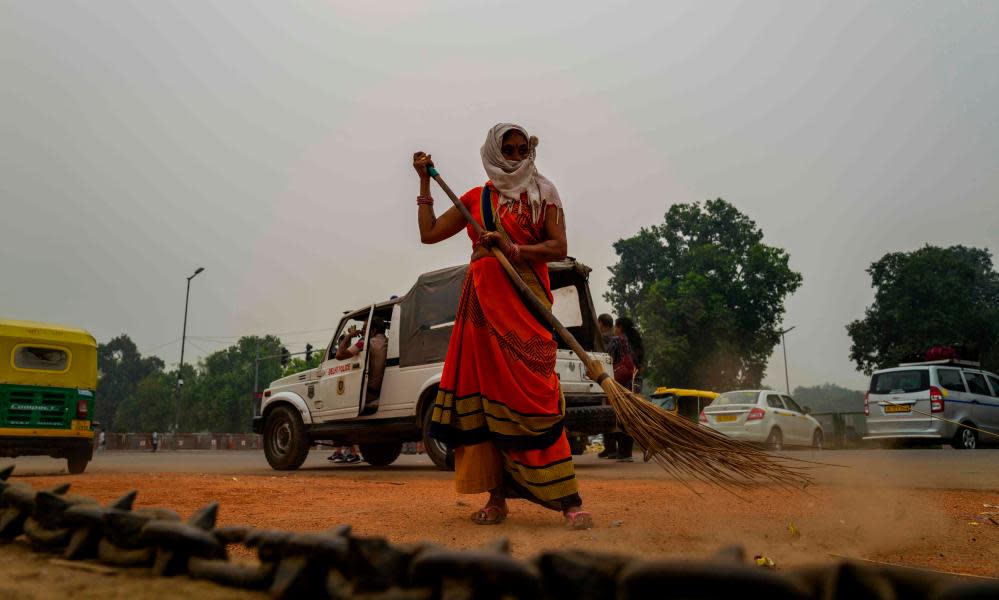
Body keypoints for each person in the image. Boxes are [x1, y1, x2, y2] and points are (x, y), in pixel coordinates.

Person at [412, 123, 593, 530]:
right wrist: (424, 182)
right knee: (487, 406)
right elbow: (428, 234)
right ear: (494, 151)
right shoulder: (477, 199)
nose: (515, 155)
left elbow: (558, 247)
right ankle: (497, 499)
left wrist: (512, 248)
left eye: (521, 148)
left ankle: (569, 500)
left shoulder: (544, 194)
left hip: (527, 313)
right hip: (481, 319)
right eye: (507, 149)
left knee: (539, 401)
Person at [604, 317, 644, 462]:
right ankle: (628, 452)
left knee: (621, 417)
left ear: (619, 326)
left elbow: (608, 359)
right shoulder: (636, 339)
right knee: (631, 417)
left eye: (616, 326)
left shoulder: (617, 340)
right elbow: (640, 364)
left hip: (621, 384)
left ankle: (623, 452)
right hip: (636, 383)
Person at [596, 314, 618, 460]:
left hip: (606, 378)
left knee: (607, 414)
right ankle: (611, 448)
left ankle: (610, 448)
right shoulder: (617, 338)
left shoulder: (602, 338)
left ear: (601, 324)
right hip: (616, 379)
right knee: (614, 414)